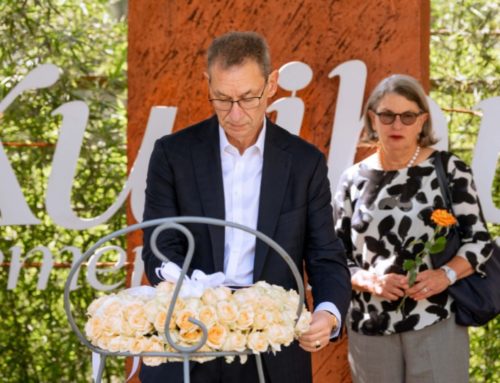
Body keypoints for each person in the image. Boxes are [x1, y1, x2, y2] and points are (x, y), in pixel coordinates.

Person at [141, 31, 352, 383]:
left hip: (273, 349)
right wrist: (192, 292)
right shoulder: (172, 154)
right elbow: (158, 246)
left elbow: (324, 255)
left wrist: (328, 314)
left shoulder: (305, 163)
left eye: (248, 98)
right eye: (222, 99)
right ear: (207, 83)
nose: (235, 113)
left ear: (272, 84)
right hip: (187, 339)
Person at [333, 74, 494, 383]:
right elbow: (335, 256)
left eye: (407, 116)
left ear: (422, 120)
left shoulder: (449, 169)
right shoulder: (352, 179)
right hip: (370, 326)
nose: (397, 124)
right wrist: (369, 281)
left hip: (435, 318)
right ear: (372, 118)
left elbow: (479, 242)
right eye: (387, 115)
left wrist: (443, 275)